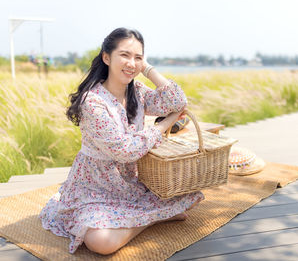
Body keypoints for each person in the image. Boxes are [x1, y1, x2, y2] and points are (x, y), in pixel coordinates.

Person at [39, 27, 204, 255]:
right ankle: (152, 219)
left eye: (137, 57)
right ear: (107, 57)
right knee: (101, 243)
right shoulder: (93, 102)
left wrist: (145, 68)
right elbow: (125, 150)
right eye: (124, 55)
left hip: (131, 181)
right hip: (95, 187)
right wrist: (163, 125)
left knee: (192, 196)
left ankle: (144, 216)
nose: (131, 63)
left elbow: (177, 101)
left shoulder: (137, 90)